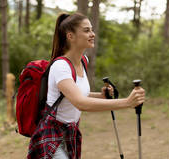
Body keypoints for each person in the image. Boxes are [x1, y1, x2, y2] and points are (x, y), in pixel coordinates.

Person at [27, 12, 145, 159]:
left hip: (71, 133)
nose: (92, 34)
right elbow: (80, 103)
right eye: (86, 30)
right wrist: (127, 102)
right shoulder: (60, 66)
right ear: (70, 36)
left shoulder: (83, 61)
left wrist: (101, 96)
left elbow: (75, 94)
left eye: (91, 29)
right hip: (51, 134)